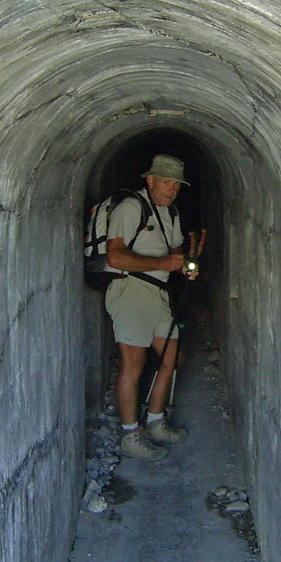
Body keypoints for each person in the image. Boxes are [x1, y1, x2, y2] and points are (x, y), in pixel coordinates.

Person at [105, 154, 197, 461]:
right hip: (130, 289)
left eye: (176, 184)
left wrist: (184, 267)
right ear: (150, 180)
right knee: (133, 364)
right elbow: (115, 257)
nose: (172, 189)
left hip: (157, 292)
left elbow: (175, 251)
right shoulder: (131, 208)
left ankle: (156, 421)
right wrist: (161, 263)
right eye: (166, 182)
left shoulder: (170, 213)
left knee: (173, 356)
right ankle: (131, 434)